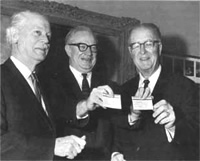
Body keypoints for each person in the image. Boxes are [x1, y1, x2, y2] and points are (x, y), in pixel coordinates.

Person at [0, 10, 86, 160]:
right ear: (14, 36)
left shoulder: (44, 83)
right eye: (37, 33)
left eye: (48, 36)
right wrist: (52, 147)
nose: (46, 41)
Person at [111, 23, 199, 161]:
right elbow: (116, 133)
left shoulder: (186, 87)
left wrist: (173, 126)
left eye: (148, 43)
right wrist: (115, 154)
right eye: (135, 45)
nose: (142, 51)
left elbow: (196, 139)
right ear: (130, 52)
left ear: (159, 47)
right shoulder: (123, 90)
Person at [40, 25, 119, 160]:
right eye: (82, 46)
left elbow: (117, 128)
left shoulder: (111, 87)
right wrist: (85, 106)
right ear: (68, 50)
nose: (89, 53)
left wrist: (115, 153)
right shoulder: (49, 84)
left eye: (93, 47)